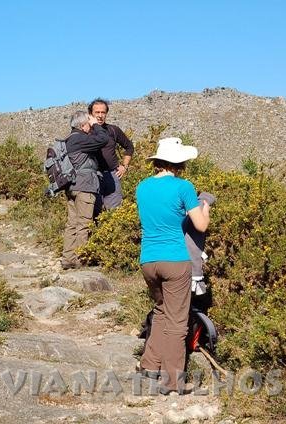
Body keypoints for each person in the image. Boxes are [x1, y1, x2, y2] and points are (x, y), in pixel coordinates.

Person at [135, 137, 210, 395]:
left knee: (161, 310)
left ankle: (149, 364)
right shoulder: (184, 187)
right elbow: (200, 225)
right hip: (175, 260)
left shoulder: (142, 186)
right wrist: (205, 207)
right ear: (180, 162)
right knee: (178, 321)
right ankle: (172, 382)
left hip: (148, 260)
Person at [61, 111, 110, 270]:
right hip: (85, 186)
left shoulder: (69, 139)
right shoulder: (80, 138)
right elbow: (103, 139)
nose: (90, 126)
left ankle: (68, 258)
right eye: (88, 124)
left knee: (72, 223)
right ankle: (82, 260)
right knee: (84, 223)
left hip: (72, 186)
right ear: (83, 125)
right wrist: (95, 124)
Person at [88, 99, 134, 209]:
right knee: (94, 211)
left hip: (112, 175)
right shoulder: (86, 131)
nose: (100, 116)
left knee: (114, 210)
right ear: (90, 114)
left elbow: (129, 147)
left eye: (103, 112)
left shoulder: (113, 130)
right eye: (97, 112)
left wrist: (124, 166)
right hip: (92, 176)